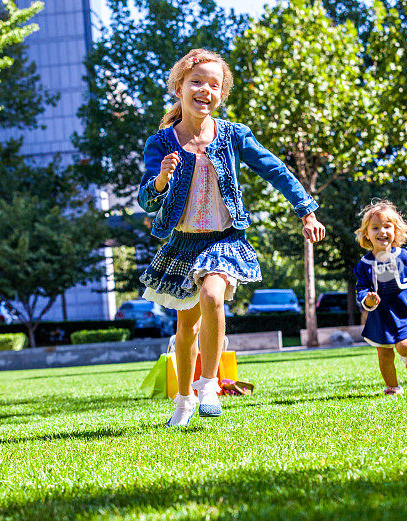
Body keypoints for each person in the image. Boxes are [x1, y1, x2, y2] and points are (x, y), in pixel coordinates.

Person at [138, 49, 325, 426]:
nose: (205, 89)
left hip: (223, 238)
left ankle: (209, 384)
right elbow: (146, 200)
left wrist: (306, 209)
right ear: (179, 87)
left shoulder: (233, 136)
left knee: (212, 295)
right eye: (197, 82)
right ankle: (183, 399)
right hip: (184, 243)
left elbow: (275, 169)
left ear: (221, 94)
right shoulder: (160, 143)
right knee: (186, 326)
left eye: (214, 84)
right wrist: (160, 180)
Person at [353, 200, 407, 396]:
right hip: (380, 313)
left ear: (396, 230)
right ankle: (392, 387)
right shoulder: (364, 264)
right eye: (375, 227)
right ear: (367, 234)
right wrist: (367, 300)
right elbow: (361, 289)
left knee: (404, 346)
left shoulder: (405, 255)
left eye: (387, 226)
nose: (382, 231)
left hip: (403, 309)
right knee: (384, 353)